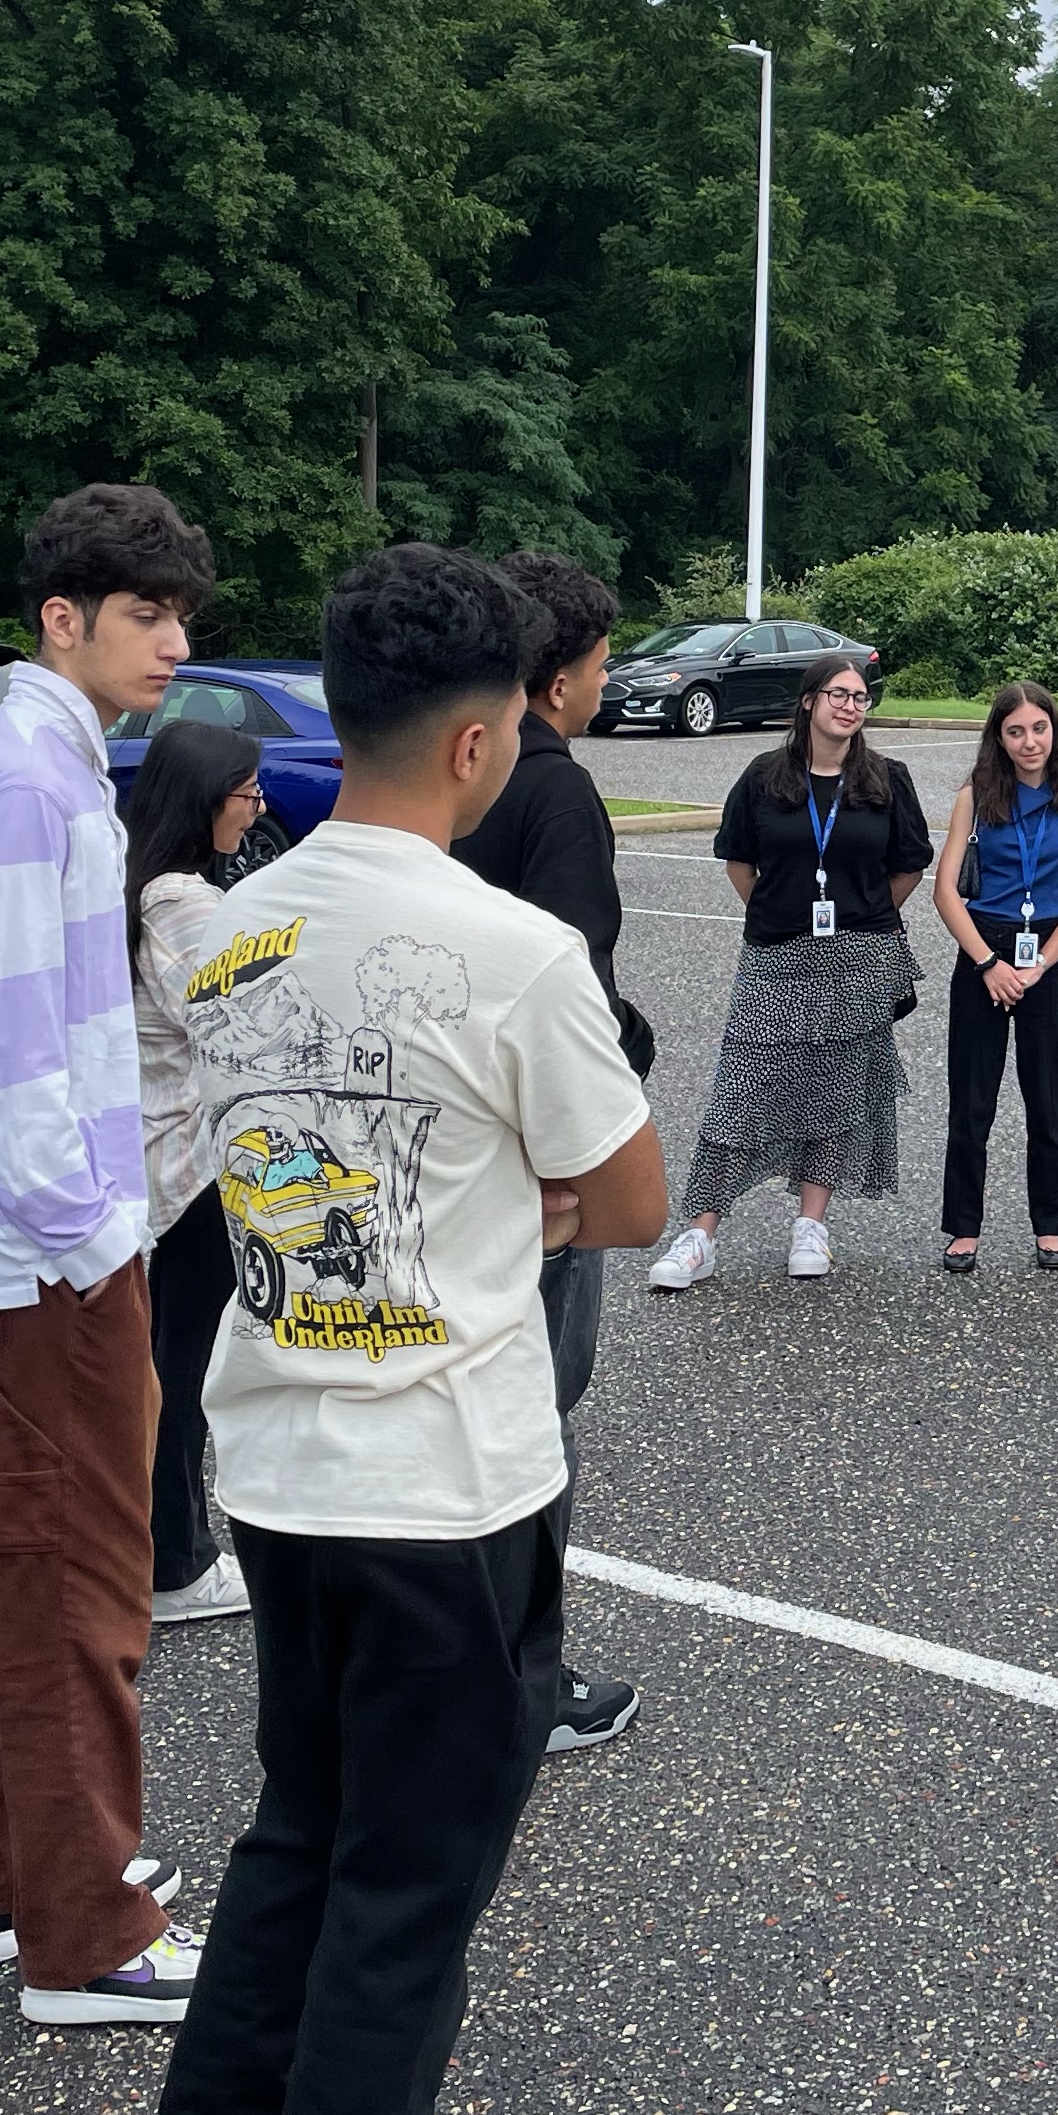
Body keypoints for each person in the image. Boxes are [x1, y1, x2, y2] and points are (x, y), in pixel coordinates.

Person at [144, 543, 668, 2115]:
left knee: (299, 1831)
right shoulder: (510, 948)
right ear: (476, 737)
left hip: (279, 1463)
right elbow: (635, 1192)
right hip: (447, 1478)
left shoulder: (225, 931)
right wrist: (519, 1191)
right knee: (408, 1887)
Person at [0, 482, 213, 2027]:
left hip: (27, 1252)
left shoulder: (42, 766)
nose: (173, 642)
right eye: (146, 614)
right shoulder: (31, 779)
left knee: (9, 1572)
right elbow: (19, 1041)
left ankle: (5, 1886)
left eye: (179, 616)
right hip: (45, 1260)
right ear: (63, 619)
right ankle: (85, 1934)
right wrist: (96, 1238)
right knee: (79, 1584)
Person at [449, 548, 654, 1755]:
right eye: (602, 659)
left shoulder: (458, 772)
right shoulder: (554, 784)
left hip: (455, 1127)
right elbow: (572, 976)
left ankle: (468, 1659)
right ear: (562, 671)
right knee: (537, 1412)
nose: (604, 679)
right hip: (541, 1146)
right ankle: (528, 1675)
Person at [648, 652, 931, 1290]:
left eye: (860, 696)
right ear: (808, 701)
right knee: (741, 1095)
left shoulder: (888, 779)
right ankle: (699, 1234)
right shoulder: (764, 776)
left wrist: (862, 914)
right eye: (838, 693)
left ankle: (812, 1225)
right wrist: (781, 916)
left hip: (858, 959)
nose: (850, 705)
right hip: (777, 957)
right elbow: (739, 862)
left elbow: (910, 864)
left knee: (836, 1096)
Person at [124, 718, 268, 1633]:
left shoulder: (138, 883)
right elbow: (234, 1021)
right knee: (181, 1370)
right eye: (245, 794)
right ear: (204, 798)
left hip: (157, 1153)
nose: (255, 810)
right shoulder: (181, 901)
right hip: (190, 1164)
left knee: (163, 1363)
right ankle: (174, 1561)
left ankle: (158, 1548)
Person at [931, 681, 1058, 1272]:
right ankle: (963, 1228)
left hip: (1047, 958)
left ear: (1055, 732)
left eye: (1039, 728)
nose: (1029, 741)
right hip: (984, 953)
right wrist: (986, 962)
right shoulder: (974, 797)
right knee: (972, 1100)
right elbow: (946, 891)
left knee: (1049, 1100)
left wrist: (1039, 967)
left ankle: (1049, 1226)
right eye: (1015, 731)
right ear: (998, 739)